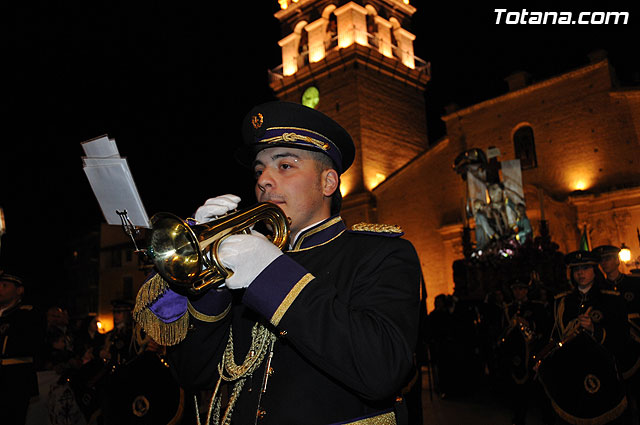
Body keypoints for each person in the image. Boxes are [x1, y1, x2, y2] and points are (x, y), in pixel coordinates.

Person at [134, 101, 423, 424]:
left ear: (328, 182)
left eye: (285, 166)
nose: (263, 181)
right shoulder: (244, 262)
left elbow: (382, 370)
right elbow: (192, 374)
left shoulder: (379, 253)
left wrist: (270, 274)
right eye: (259, 170)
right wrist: (210, 276)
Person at [538, 251, 629, 424]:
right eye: (576, 269)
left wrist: (594, 329)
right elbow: (554, 335)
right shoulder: (561, 302)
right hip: (571, 372)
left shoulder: (611, 300)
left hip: (602, 370)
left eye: (586, 268)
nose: (581, 273)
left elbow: (621, 337)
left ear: (595, 270)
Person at [594, 244, 640, 422]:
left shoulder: (634, 283)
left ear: (617, 261)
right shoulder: (599, 289)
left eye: (608, 259)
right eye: (601, 260)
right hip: (612, 347)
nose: (604, 263)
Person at [498, 280, 552, 425]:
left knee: (540, 393)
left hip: (533, 354)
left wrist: (529, 324)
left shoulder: (537, 307)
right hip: (515, 355)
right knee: (517, 393)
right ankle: (518, 418)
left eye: (521, 289)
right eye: (515, 289)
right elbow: (503, 333)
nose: (518, 292)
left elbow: (545, 328)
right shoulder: (508, 309)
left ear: (527, 291)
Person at [0, 270, 43, 425]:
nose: (0, 289)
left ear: (19, 290)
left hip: (15, 381)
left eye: (4, 285)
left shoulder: (28, 314)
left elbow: (30, 344)